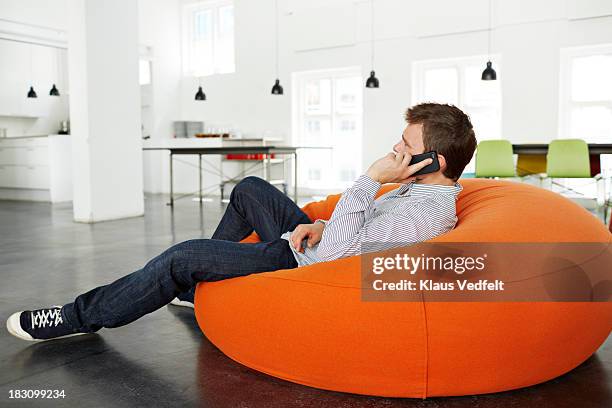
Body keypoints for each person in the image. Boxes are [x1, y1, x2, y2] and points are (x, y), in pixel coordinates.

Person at [6, 103, 477, 342]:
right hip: (317, 242)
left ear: (431, 159)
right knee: (251, 187)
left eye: (404, 144)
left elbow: (335, 261)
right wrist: (323, 224)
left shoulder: (424, 212)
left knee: (182, 256)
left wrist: (370, 178)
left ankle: (76, 316)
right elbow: (358, 235)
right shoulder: (419, 189)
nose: (394, 149)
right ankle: (201, 292)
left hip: (300, 263)